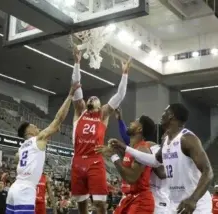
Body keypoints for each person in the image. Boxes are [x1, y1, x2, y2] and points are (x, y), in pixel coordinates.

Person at [113, 103, 213, 214]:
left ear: (171, 116)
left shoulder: (187, 139)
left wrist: (193, 199)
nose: (162, 115)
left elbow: (208, 172)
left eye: (165, 112)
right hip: (175, 202)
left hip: (196, 203)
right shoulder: (166, 139)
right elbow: (155, 161)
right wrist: (126, 148)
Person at [70, 48, 131, 214]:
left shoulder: (103, 114)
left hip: (94, 161)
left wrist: (124, 74)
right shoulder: (80, 110)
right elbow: (76, 87)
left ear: (99, 103)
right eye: (90, 98)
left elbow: (119, 95)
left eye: (96, 98)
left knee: (99, 204)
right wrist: (77, 63)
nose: (92, 98)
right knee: (81, 205)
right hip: (77, 161)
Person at [6, 83, 79, 214]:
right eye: (34, 126)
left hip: (14, 189)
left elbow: (18, 160)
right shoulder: (38, 138)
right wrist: (70, 95)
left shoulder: (21, 148)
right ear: (28, 131)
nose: (37, 128)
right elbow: (58, 118)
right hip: (25, 189)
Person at [95, 115, 156, 213]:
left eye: (135, 121)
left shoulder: (142, 149)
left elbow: (131, 178)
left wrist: (113, 156)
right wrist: (116, 150)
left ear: (139, 129)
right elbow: (127, 163)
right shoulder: (133, 148)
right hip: (129, 198)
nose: (131, 122)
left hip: (141, 201)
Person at [115, 109, 169, 214]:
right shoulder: (137, 146)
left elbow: (162, 174)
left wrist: (150, 161)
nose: (164, 137)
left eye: (166, 136)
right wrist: (120, 120)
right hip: (134, 196)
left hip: (156, 198)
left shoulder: (152, 149)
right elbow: (126, 136)